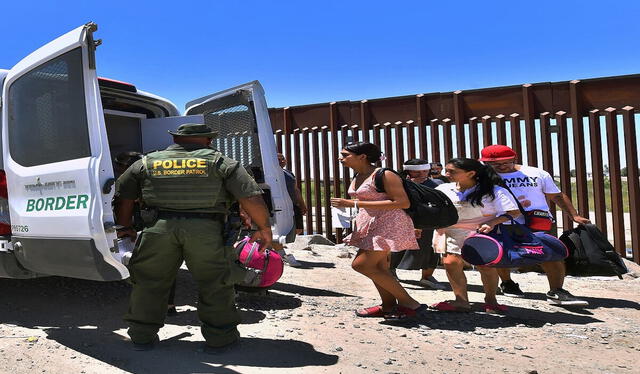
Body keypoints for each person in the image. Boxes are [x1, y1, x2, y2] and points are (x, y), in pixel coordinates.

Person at [114, 123, 272, 352]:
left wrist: (126, 226)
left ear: (176, 139)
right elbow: (250, 196)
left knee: (149, 282)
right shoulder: (221, 162)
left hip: (159, 228)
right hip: (207, 231)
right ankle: (220, 339)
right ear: (207, 140)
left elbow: (124, 197)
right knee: (215, 283)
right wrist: (264, 228)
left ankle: (141, 336)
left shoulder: (146, 162)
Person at [480, 144, 590, 306]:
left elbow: (556, 196)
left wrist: (574, 215)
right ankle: (507, 282)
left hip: (538, 221)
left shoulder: (536, 173)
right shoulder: (483, 177)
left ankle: (556, 291)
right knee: (502, 255)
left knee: (551, 254)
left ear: (514, 158)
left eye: (506, 162)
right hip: (501, 222)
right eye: (495, 164)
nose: (501, 166)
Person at [330, 142, 427, 321]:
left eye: (345, 155)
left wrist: (354, 203)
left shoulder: (385, 174)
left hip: (389, 224)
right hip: (371, 224)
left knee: (362, 264)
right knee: (380, 267)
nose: (340, 158)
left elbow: (402, 202)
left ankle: (411, 304)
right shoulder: (360, 174)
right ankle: (388, 306)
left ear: (362, 156)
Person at [431, 158, 521, 313]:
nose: (446, 174)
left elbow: (513, 212)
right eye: (446, 170)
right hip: (452, 231)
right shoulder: (444, 189)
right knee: (451, 263)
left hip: (482, 233)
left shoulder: (493, 191)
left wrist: (493, 222)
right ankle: (461, 301)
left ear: (471, 173)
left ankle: (491, 300)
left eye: (452, 171)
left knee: (484, 266)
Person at [390, 159, 446, 290]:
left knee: (431, 248)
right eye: (417, 172)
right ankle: (390, 272)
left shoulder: (436, 184)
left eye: (425, 171)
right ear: (408, 171)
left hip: (430, 221)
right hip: (404, 219)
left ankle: (427, 277)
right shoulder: (398, 184)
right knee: (399, 247)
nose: (422, 174)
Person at [276, 153, 304, 267]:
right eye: (279, 159)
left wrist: (302, 204)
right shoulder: (271, 174)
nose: (282, 161)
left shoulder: (289, 173)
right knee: (278, 232)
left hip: (292, 205)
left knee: (297, 229)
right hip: (279, 206)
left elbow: (295, 189)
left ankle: (279, 251)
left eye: (283, 159)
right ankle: (281, 254)